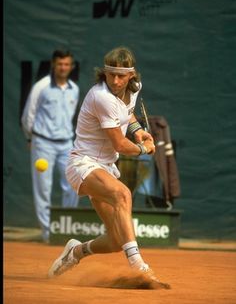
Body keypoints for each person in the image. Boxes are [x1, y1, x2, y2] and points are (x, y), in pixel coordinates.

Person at [47, 46, 170, 288]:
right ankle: (139, 266)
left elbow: (128, 115)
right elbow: (120, 144)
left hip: (105, 167)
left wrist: (139, 132)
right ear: (104, 73)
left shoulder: (133, 91)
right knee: (122, 193)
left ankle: (76, 252)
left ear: (132, 76)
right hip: (83, 163)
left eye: (120, 75)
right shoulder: (101, 96)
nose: (114, 80)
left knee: (115, 240)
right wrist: (144, 149)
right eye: (110, 74)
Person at [21, 49, 80, 243]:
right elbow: (28, 116)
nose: (63, 67)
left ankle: (66, 228)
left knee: (73, 184)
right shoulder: (41, 86)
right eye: (60, 64)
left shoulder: (74, 88)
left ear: (71, 66)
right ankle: (48, 234)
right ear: (53, 65)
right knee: (43, 189)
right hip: (42, 142)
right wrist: (31, 139)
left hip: (66, 144)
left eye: (67, 64)